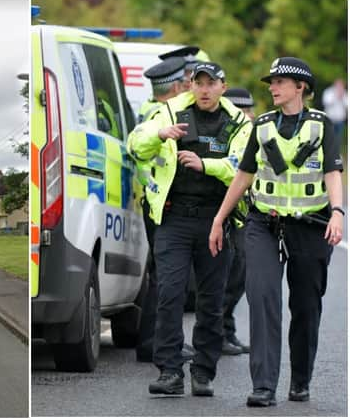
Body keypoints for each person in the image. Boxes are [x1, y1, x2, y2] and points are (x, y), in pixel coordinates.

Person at [208, 57, 344, 407]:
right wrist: (219, 219)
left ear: (301, 88)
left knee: (305, 305)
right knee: (263, 297)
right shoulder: (263, 126)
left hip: (310, 226)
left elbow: (332, 172)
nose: (272, 87)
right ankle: (264, 386)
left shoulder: (321, 125)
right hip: (263, 224)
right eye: (272, 82)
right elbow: (244, 175)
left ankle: (300, 380)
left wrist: (338, 213)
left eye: (280, 82)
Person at [128, 62, 251, 397]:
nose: (205, 90)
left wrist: (205, 165)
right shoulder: (169, 112)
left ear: (223, 87)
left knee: (211, 300)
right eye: (199, 83)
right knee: (170, 293)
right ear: (190, 86)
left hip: (216, 219)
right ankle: (169, 371)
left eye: (212, 83)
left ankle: (203, 371)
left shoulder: (238, 122)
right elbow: (135, 144)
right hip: (173, 218)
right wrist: (158, 134)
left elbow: (242, 167)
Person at [131, 56, 189, 363]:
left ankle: (160, 339)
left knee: (161, 275)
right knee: (166, 277)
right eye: (187, 83)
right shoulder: (162, 117)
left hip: (154, 203)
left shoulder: (147, 112)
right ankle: (155, 341)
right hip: (163, 205)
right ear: (178, 86)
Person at [219, 88, 255, 356]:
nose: (249, 115)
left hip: (246, 215)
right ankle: (217, 331)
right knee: (227, 274)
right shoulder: (223, 136)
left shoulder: (254, 135)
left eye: (250, 109)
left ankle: (227, 328)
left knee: (241, 273)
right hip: (224, 213)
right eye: (242, 110)